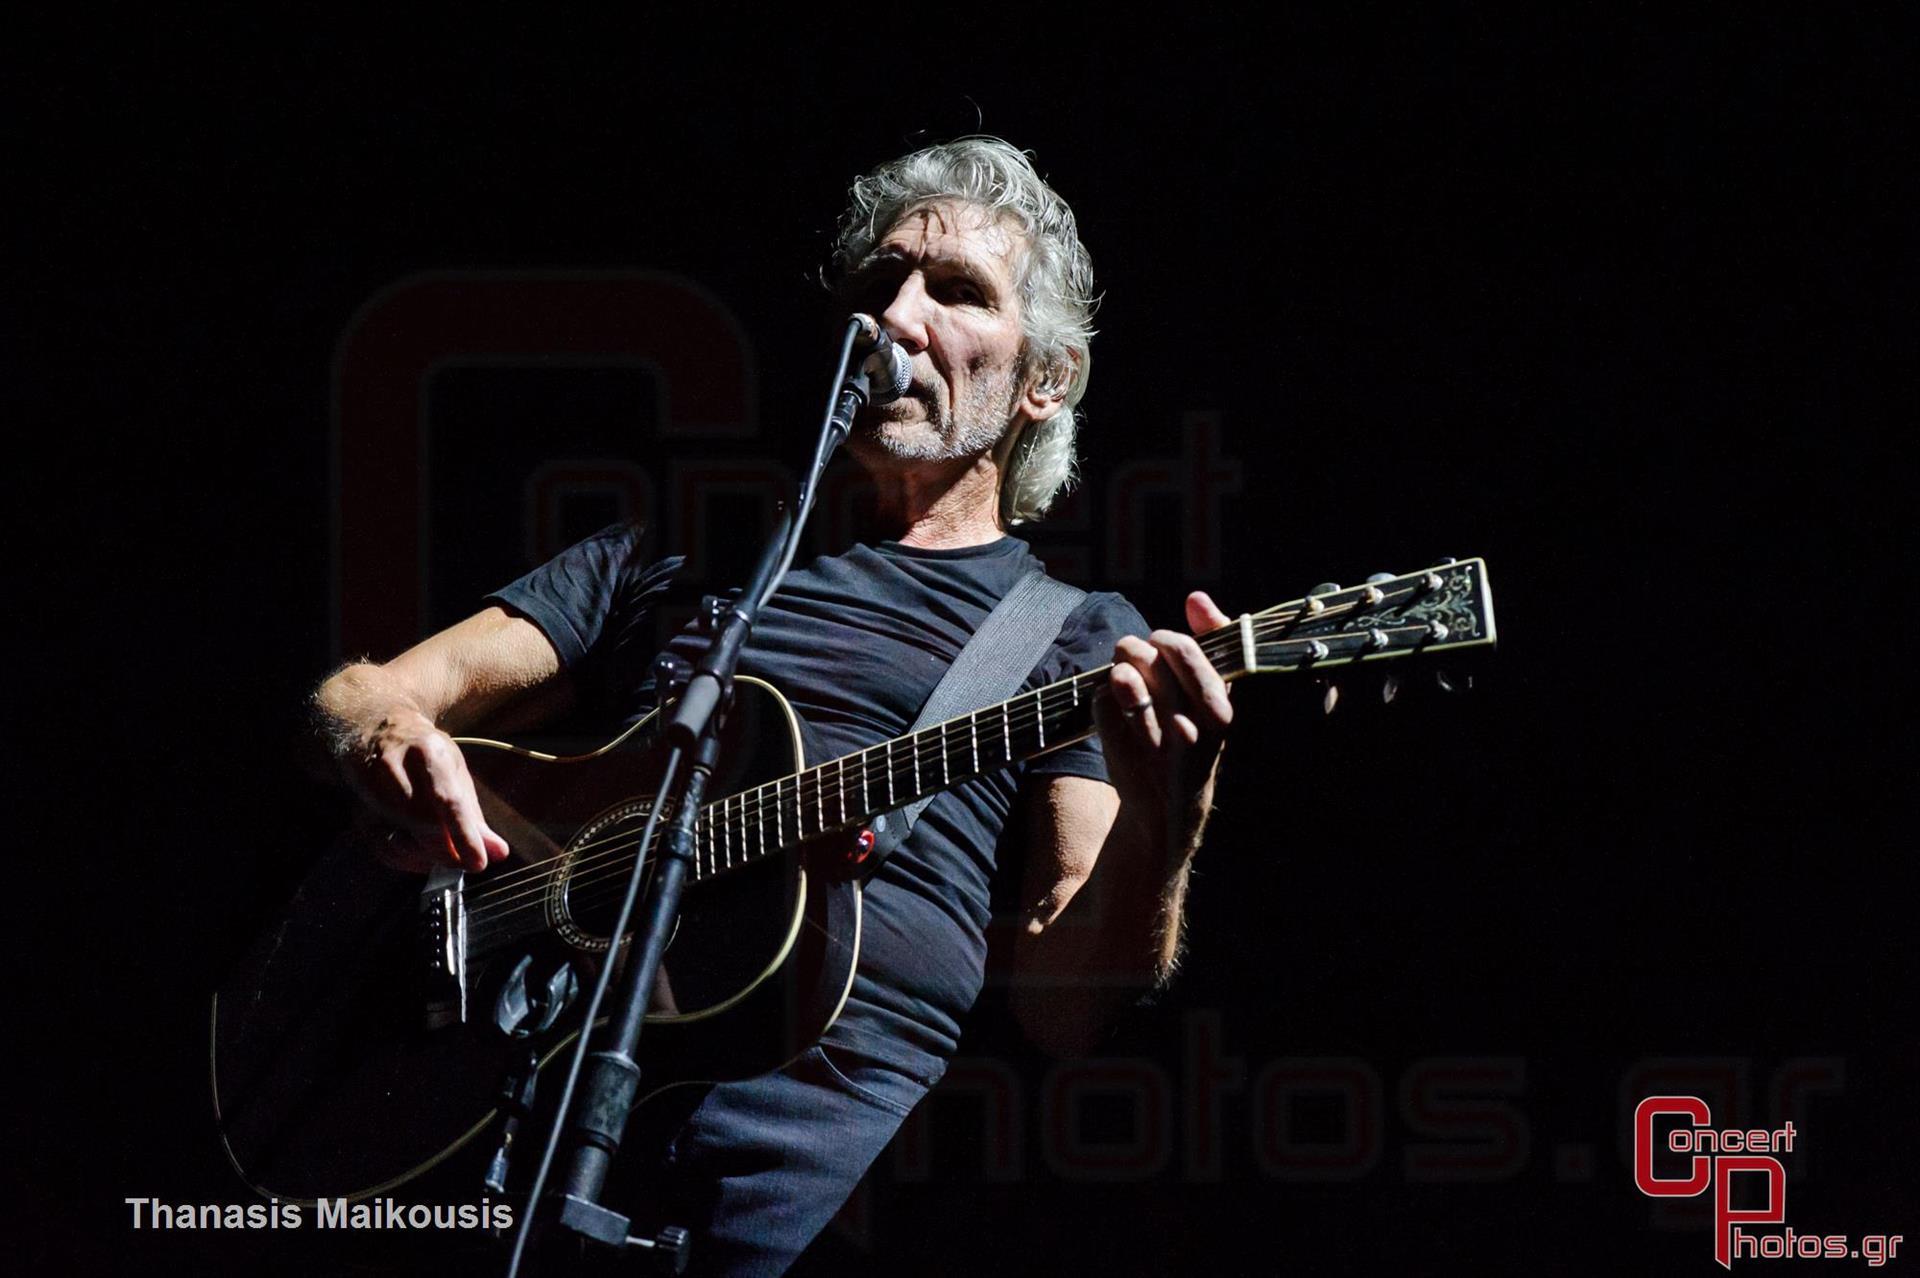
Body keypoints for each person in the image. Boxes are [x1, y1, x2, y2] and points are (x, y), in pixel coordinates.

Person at [313, 136, 1234, 1276]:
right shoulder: (688, 554)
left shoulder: (1072, 636)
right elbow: (372, 688)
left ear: (1045, 380)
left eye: (955, 293)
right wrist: (389, 736)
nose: (894, 319)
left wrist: (1168, 828)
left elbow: (1064, 1008)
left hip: (817, 1174)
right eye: (878, 283)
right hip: (526, 1099)